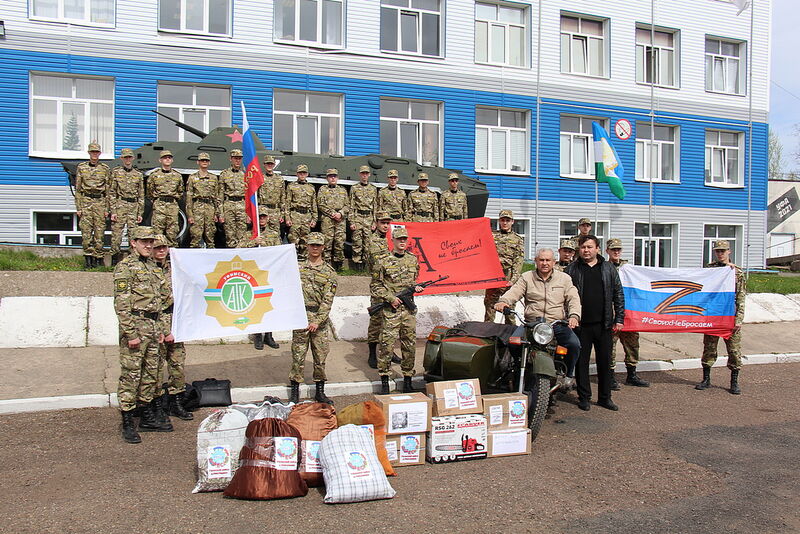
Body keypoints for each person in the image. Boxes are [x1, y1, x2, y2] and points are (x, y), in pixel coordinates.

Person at [113, 226, 171, 443]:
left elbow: (161, 301)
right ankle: (127, 421)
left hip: (153, 327)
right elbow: (121, 304)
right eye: (144, 241)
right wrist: (130, 334)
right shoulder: (125, 267)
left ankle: (146, 414)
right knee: (131, 375)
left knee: (151, 375)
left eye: (150, 242)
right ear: (133, 243)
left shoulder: (152, 267)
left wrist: (162, 330)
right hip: (136, 326)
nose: (148, 245)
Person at [494, 248, 582, 387]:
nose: (544, 263)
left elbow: (573, 298)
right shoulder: (527, 277)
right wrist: (503, 301)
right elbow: (515, 291)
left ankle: (569, 375)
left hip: (556, 324)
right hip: (531, 324)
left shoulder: (564, 279)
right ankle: (517, 367)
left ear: (554, 262)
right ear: (536, 261)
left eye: (548, 260)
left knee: (574, 344)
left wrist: (574, 316)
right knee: (513, 342)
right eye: (541, 260)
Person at [565, 235, 625, 412]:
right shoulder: (571, 269)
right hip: (580, 325)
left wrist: (619, 318)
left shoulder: (608, 268)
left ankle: (605, 398)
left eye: (590, 247)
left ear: (597, 249)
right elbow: (564, 296)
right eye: (583, 247)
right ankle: (584, 397)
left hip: (604, 324)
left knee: (604, 362)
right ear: (579, 249)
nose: (586, 250)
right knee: (581, 363)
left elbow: (618, 294)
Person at [371, 227, 424, 394]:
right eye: (399, 239)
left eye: (404, 239)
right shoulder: (383, 261)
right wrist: (390, 298)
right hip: (391, 311)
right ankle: (385, 380)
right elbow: (375, 286)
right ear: (392, 240)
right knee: (386, 346)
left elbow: (413, 282)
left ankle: (407, 379)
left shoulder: (413, 260)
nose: (402, 242)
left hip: (408, 312)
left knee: (409, 345)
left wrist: (417, 288)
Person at [289, 232, 337, 404]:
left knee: (320, 356)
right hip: (301, 316)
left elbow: (328, 299)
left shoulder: (329, 272)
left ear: (323, 247)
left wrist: (317, 320)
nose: (315, 248)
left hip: (319, 320)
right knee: (298, 354)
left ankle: (320, 391)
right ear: (307, 246)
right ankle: (295, 390)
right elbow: (291, 291)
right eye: (312, 245)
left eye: (318, 245)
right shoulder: (298, 268)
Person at [695, 239, 745, 395]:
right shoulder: (709, 270)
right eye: (718, 251)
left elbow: (741, 296)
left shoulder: (736, 272)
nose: (720, 253)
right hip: (713, 316)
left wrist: (739, 319)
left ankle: (734, 381)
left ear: (729, 252)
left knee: (734, 351)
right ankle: (706, 379)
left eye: (723, 251)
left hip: (729, 317)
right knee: (709, 348)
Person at [151, 234, 192, 422]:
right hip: (156, 321)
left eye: (164, 247)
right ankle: (158, 404)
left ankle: (177, 402)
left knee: (177, 363)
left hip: (175, 318)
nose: (161, 250)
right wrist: (161, 330)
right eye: (158, 247)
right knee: (156, 365)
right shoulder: (146, 269)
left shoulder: (174, 267)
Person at [605, 238, 649, 389]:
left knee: (632, 344)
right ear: (607, 251)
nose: (616, 252)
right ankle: (610, 377)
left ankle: (632, 374)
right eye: (613, 250)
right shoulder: (604, 267)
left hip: (629, 313)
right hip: (611, 312)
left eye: (618, 249)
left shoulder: (630, 269)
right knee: (610, 345)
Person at [240, 207, 282, 350]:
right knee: (256, 305)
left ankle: (269, 335)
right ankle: (258, 334)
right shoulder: (248, 234)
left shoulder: (274, 235)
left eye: (264, 217)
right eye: (259, 217)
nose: (261, 219)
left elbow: (280, 252)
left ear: (268, 218)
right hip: (253, 275)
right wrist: (253, 241)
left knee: (269, 304)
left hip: (269, 274)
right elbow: (237, 250)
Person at [365, 211, 396, 369]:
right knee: (377, 321)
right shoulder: (373, 241)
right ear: (376, 223)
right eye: (382, 223)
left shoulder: (391, 239)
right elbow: (380, 264)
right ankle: (372, 353)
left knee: (391, 320)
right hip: (379, 285)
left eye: (387, 223)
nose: (385, 226)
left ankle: (390, 351)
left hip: (393, 284)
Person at [484, 210, 525, 325]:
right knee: (489, 308)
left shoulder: (517, 239)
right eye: (503, 220)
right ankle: (488, 333)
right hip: (494, 277)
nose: (505, 223)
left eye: (507, 220)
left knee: (509, 310)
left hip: (508, 277)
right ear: (499, 221)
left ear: (512, 222)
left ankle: (510, 334)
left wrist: (513, 281)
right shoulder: (492, 236)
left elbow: (518, 261)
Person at [75, 142, 111, 269]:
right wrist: (78, 208)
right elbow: (78, 189)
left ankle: (98, 258)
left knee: (99, 232)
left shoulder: (105, 169)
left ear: (100, 153)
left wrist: (107, 209)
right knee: (86, 232)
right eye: (92, 152)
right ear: (89, 153)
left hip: (100, 202)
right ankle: (88, 259)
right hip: (86, 201)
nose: (94, 154)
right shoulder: (81, 167)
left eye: (96, 152)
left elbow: (108, 190)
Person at [109, 147, 144, 266]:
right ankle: (114, 260)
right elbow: (112, 192)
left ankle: (132, 260)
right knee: (116, 234)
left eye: (129, 157)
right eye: (125, 157)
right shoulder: (116, 172)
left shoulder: (138, 175)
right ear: (121, 158)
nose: (127, 159)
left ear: (133, 158)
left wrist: (140, 212)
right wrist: (113, 210)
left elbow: (141, 195)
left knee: (133, 234)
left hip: (133, 206)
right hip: (120, 204)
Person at [147, 150, 184, 247]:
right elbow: (150, 192)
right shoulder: (154, 175)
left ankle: (170, 258)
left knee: (172, 231)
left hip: (172, 205)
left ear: (172, 160)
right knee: (158, 232)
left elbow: (180, 191)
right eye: (165, 158)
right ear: (160, 160)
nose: (167, 159)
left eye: (169, 158)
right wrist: (157, 201)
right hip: (159, 205)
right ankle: (157, 257)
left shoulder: (177, 176)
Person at [185, 152, 220, 248]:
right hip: (197, 207)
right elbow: (189, 197)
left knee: (210, 235)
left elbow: (216, 197)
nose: (204, 162)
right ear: (198, 162)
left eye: (206, 160)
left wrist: (217, 213)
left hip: (210, 208)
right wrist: (190, 215)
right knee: (195, 235)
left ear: (209, 163)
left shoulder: (213, 178)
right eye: (202, 160)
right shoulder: (192, 177)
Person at [316, 168, 349, 269]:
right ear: (327, 178)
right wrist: (333, 214)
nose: (333, 178)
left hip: (340, 220)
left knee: (339, 241)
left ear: (337, 178)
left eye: (334, 176)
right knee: (327, 241)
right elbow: (320, 204)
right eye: (330, 176)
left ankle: (339, 265)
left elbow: (347, 205)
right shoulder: (323, 189)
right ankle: (325, 264)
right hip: (328, 219)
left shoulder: (342, 190)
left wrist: (340, 213)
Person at [284, 164, 318, 261]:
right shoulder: (291, 186)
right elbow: (287, 203)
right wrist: (288, 218)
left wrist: (314, 219)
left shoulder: (311, 188)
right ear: (297, 174)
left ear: (307, 174)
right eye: (300, 173)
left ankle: (303, 262)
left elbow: (314, 204)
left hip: (307, 216)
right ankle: (292, 262)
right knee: (293, 239)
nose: (302, 175)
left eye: (304, 173)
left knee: (305, 240)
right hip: (295, 215)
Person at [348, 165, 378, 271]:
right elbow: (351, 205)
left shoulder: (373, 189)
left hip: (369, 217)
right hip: (358, 217)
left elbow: (375, 206)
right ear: (360, 174)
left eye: (366, 173)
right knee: (357, 241)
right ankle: (356, 265)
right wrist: (351, 221)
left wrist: (375, 222)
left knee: (368, 242)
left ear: (369, 175)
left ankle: (366, 265)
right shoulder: (354, 188)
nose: (364, 175)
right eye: (362, 173)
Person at [218, 149, 248, 248]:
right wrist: (221, 214)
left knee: (242, 234)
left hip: (241, 205)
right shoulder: (224, 174)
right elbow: (220, 194)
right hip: (228, 205)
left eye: (239, 159)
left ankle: (241, 256)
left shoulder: (245, 175)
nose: (237, 161)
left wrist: (249, 214)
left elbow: (248, 195)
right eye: (235, 158)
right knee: (229, 233)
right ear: (231, 159)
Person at [257, 155, 285, 234]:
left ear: (274, 165)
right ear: (264, 165)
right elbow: (255, 196)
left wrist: (282, 214)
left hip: (275, 211)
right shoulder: (259, 178)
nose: (269, 165)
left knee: (275, 234)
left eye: (271, 164)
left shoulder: (279, 179)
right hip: (262, 211)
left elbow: (283, 197)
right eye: (267, 164)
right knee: (261, 233)